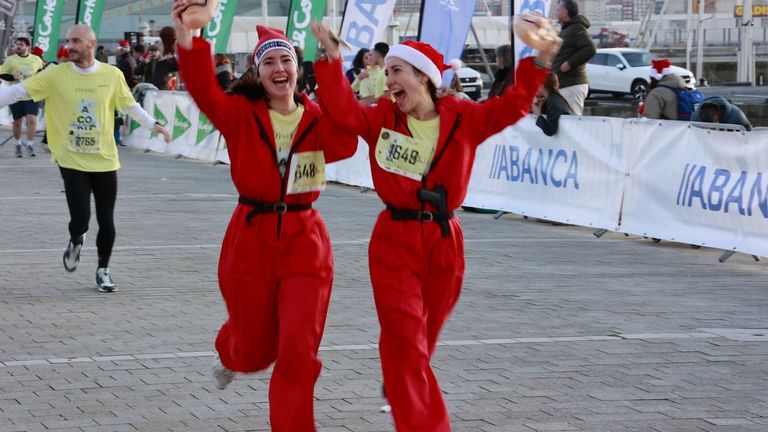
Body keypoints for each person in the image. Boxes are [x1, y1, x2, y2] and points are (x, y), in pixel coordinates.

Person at [311, 20, 560, 431]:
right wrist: (332, 59)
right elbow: (343, 110)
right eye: (387, 71)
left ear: (424, 77)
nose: (388, 79)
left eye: (397, 71)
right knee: (406, 340)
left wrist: (541, 59)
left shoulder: (464, 117)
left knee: (420, 342)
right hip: (394, 238)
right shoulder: (381, 118)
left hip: (445, 241)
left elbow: (515, 104)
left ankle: (400, 381)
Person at [171, 2, 359, 430]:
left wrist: (331, 63)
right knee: (255, 347)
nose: (279, 68)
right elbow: (204, 91)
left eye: (286, 59)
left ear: (297, 69)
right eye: (269, 61)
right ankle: (233, 349)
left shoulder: (315, 118)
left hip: (306, 242)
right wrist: (189, 38)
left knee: (298, 351)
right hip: (251, 239)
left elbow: (347, 138)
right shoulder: (240, 114)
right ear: (257, 72)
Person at [0, 25, 170, 292]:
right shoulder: (55, 75)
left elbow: (129, 105)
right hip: (71, 159)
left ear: (91, 44)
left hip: (105, 158)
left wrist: (154, 125)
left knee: (107, 219)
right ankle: (76, 239)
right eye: (68, 41)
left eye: (76, 41)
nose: (70, 45)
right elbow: (15, 92)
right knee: (81, 219)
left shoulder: (112, 75)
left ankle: (103, 269)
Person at [0, 37, 44, 157]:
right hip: (15, 96)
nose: (18, 46)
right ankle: (18, 144)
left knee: (32, 119)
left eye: (21, 45)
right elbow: (2, 73)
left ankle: (30, 145)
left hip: (31, 94)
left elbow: (42, 73)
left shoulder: (36, 59)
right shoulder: (10, 60)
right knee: (18, 122)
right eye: (17, 44)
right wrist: (12, 77)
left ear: (28, 47)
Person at [552, 0, 595, 115]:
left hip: (572, 84)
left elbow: (590, 49)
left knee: (574, 121)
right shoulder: (566, 30)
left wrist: (569, 64)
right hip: (565, 84)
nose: (556, 12)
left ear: (565, 12)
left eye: (558, 9)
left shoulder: (577, 28)